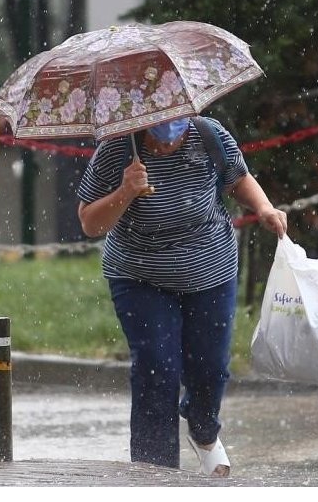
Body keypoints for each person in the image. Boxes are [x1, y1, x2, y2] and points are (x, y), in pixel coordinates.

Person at [76, 115, 287, 477]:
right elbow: (90, 223)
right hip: (140, 275)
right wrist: (126, 190)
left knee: (211, 368)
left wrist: (264, 207)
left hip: (210, 270)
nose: (167, 138)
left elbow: (237, 178)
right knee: (157, 368)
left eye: (176, 126)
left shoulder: (208, 134)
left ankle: (204, 430)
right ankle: (154, 472)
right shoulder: (116, 148)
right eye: (159, 130)